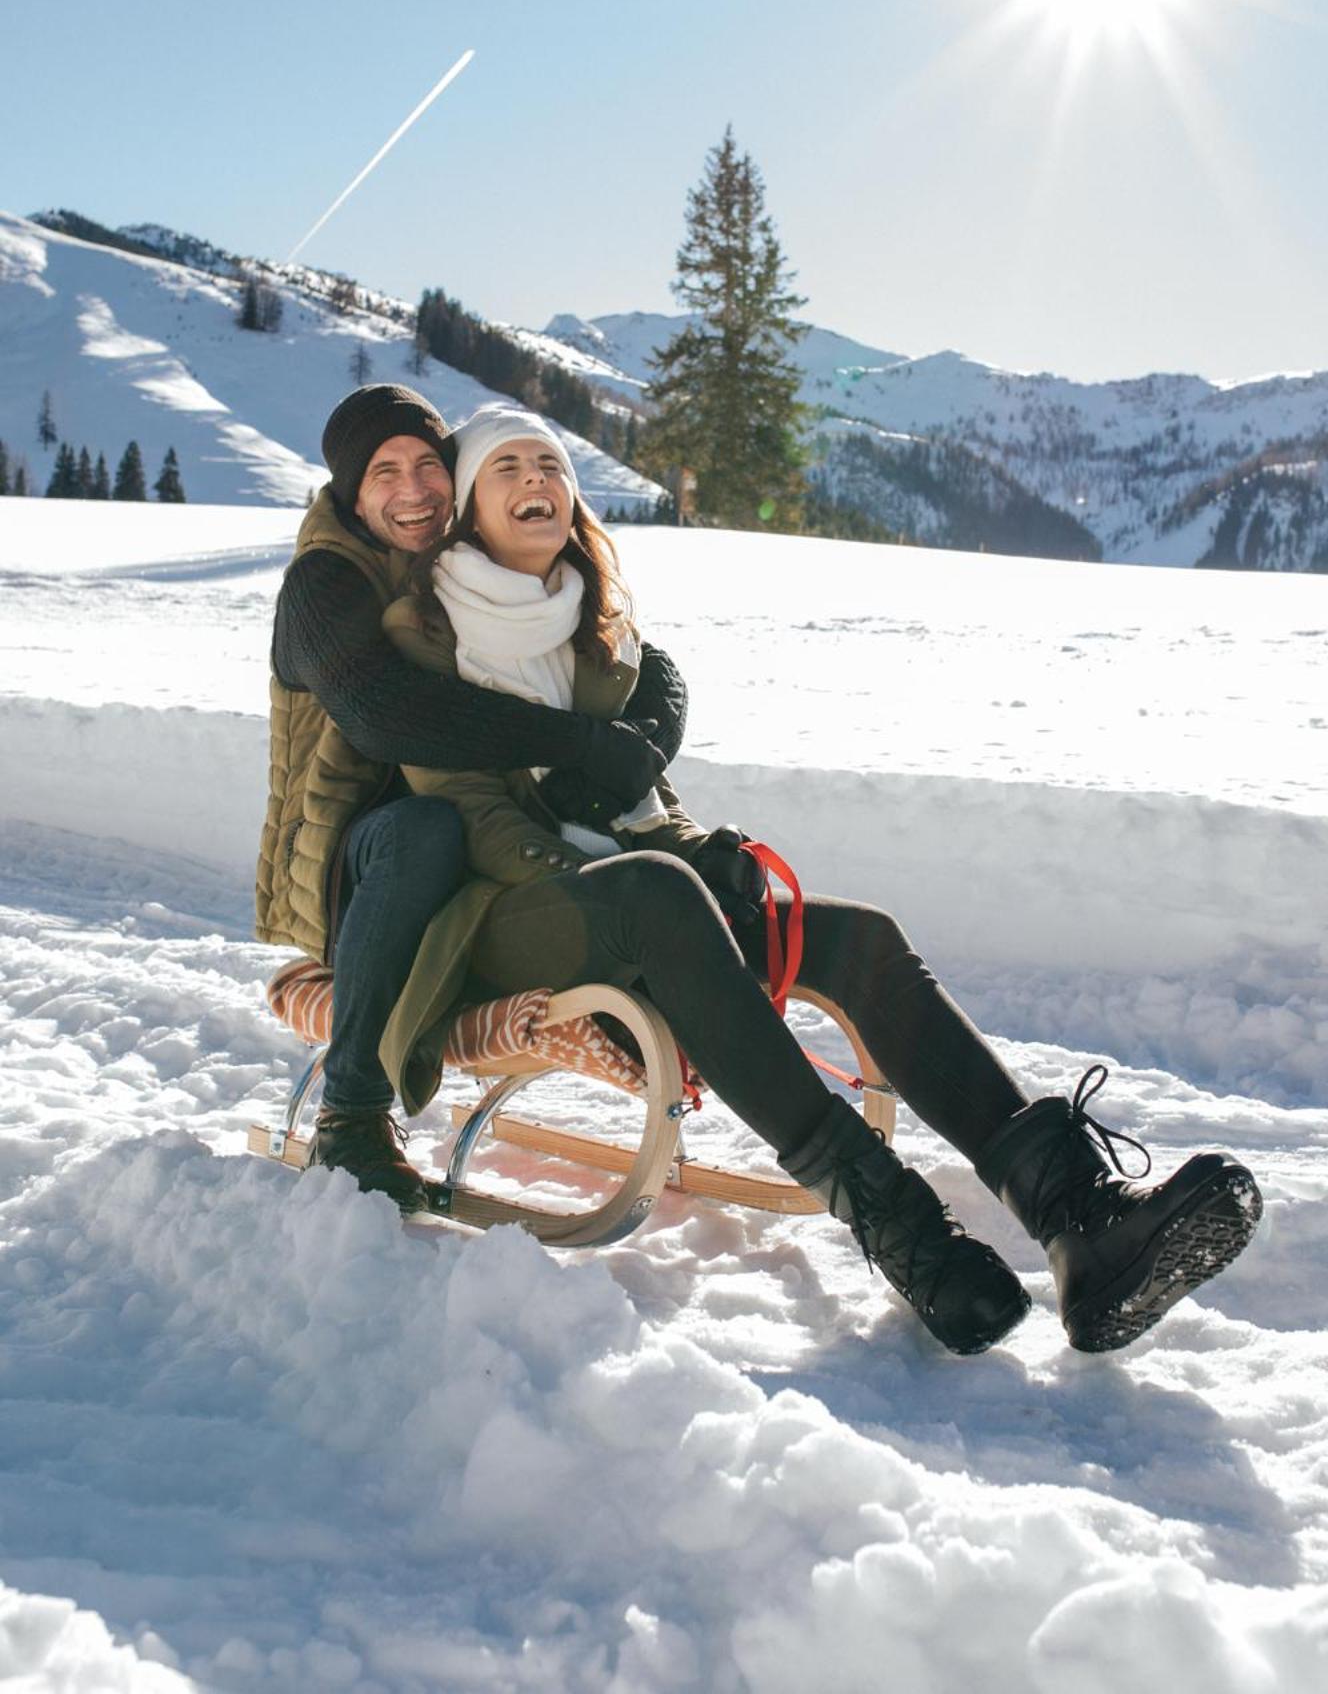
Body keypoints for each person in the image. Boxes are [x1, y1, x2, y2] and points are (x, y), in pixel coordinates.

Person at [377, 404, 1263, 1357]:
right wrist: (642, 869)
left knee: (856, 938)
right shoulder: (427, 629)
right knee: (657, 893)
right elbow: (469, 813)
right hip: (499, 917)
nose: (535, 479)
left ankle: (1077, 1220)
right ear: (467, 505)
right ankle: (900, 1230)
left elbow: (644, 797)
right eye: (505, 465)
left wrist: (698, 848)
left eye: (549, 462)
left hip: (636, 902)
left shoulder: (595, 628)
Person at [257, 382, 689, 1213]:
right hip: (352, 861)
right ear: (350, 491)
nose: (412, 489)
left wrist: (637, 746)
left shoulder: (458, 563)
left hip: (483, 831)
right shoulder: (325, 583)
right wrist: (581, 746)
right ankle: (349, 1115)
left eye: (428, 465)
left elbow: (641, 661)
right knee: (425, 827)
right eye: (383, 473)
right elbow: (392, 718)